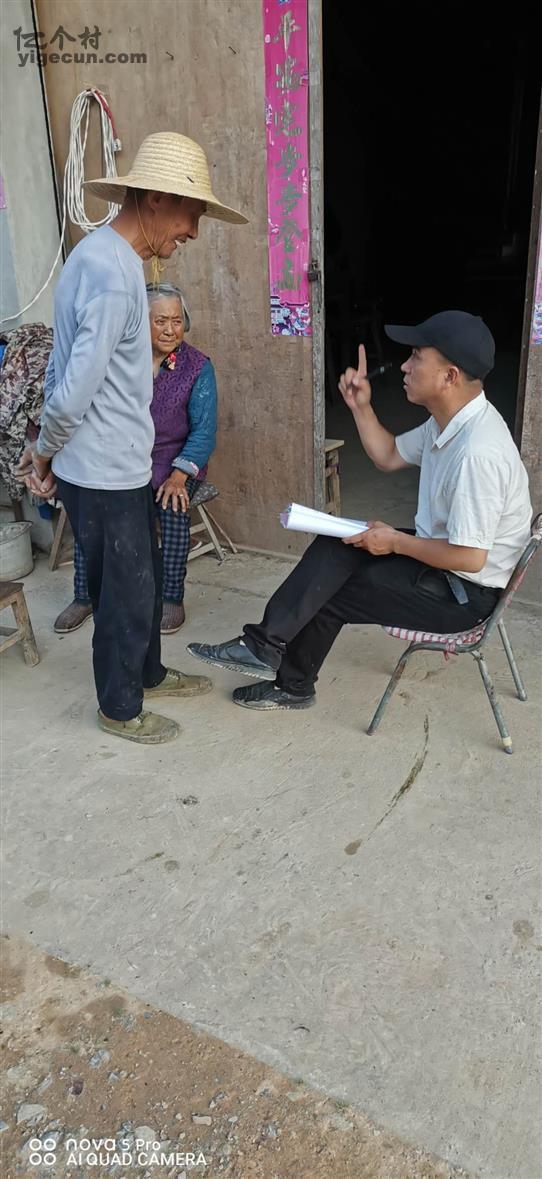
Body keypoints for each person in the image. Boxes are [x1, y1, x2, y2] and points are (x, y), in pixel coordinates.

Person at [17, 131, 247, 743]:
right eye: (191, 213)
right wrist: (45, 452)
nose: (192, 231)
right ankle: (120, 707)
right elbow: (74, 387)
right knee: (123, 593)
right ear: (154, 198)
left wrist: (49, 446)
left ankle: (148, 672)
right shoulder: (112, 274)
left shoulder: (109, 260)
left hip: (121, 465)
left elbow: (75, 365)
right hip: (101, 471)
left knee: (140, 580)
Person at [187, 310, 532, 711]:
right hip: (444, 562)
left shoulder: (477, 453)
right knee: (336, 544)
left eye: (416, 357)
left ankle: (293, 686)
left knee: (333, 589)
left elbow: (470, 558)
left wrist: (395, 542)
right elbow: (388, 454)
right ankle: (260, 646)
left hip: (465, 595)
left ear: (449, 376)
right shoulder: (448, 422)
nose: (404, 366)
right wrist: (360, 406)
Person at [53, 282, 217, 636]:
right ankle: (85, 595)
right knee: (91, 508)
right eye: (160, 321)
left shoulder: (197, 367)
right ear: (140, 323)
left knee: (172, 503)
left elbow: (204, 432)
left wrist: (179, 475)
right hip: (123, 457)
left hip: (173, 460)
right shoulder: (120, 360)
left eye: (176, 321)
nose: (170, 330)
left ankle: (171, 596)